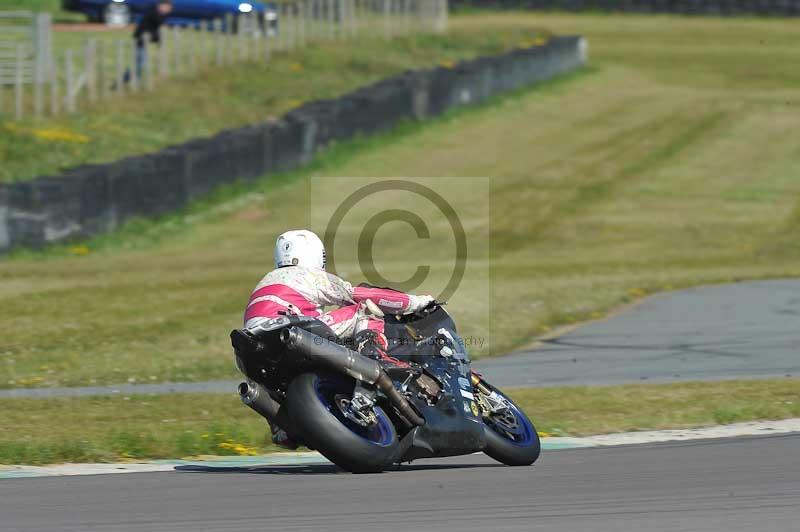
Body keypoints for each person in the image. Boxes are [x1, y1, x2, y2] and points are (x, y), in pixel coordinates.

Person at [244, 229, 434, 447]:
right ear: (316, 255)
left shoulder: (265, 282)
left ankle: (280, 428)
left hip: (251, 349)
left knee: (267, 380)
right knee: (365, 309)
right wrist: (415, 302)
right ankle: (375, 355)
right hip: (292, 331)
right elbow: (360, 295)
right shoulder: (306, 275)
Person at [130, 0, 173, 81]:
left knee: (141, 62)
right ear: (161, 6)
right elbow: (157, 30)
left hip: (144, 40)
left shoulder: (158, 14)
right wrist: (159, 40)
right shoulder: (155, 14)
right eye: (168, 8)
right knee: (140, 63)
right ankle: (131, 80)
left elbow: (158, 32)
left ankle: (131, 80)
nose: (169, 10)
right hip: (140, 40)